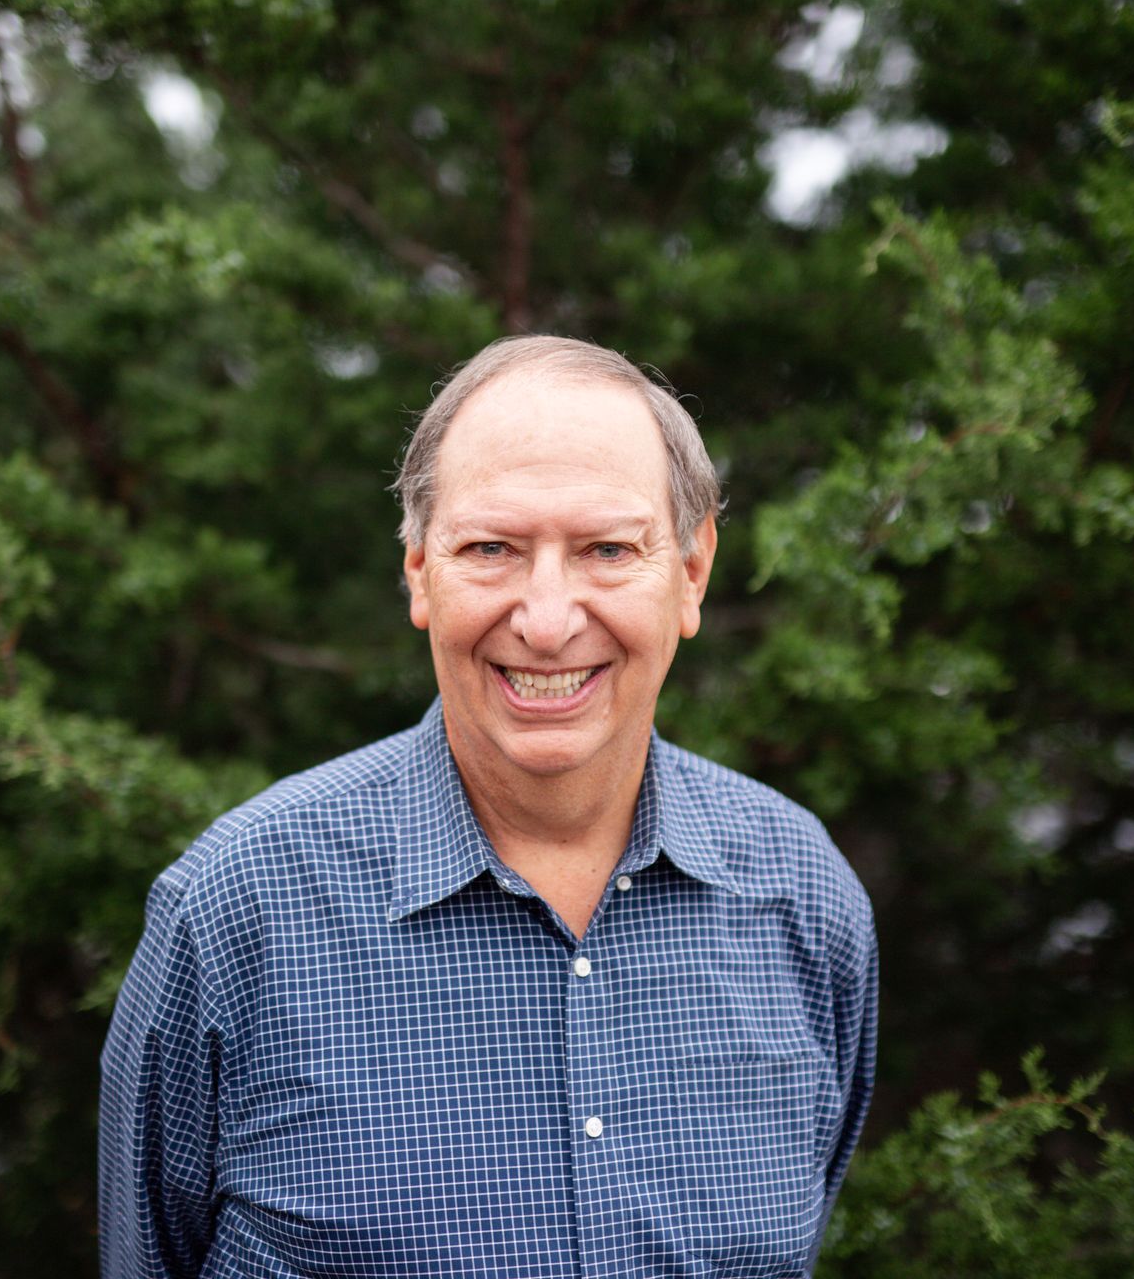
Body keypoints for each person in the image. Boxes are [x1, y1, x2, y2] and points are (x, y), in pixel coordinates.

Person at [99, 335, 878, 1278]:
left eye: (606, 549)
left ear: (692, 570)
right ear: (420, 568)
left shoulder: (806, 898)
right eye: (492, 549)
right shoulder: (236, 913)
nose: (547, 621)